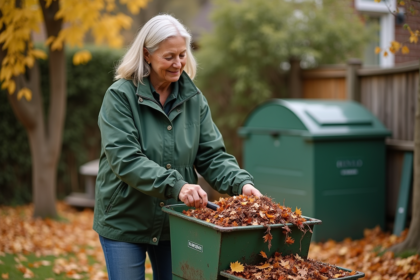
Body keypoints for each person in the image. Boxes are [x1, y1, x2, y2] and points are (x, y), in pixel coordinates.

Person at [93, 14, 262, 280]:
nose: (178, 63)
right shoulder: (120, 97)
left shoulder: (193, 99)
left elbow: (212, 155)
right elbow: (126, 159)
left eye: (182, 55)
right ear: (147, 55)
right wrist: (178, 186)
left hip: (176, 223)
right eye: (169, 56)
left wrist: (241, 184)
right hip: (124, 220)